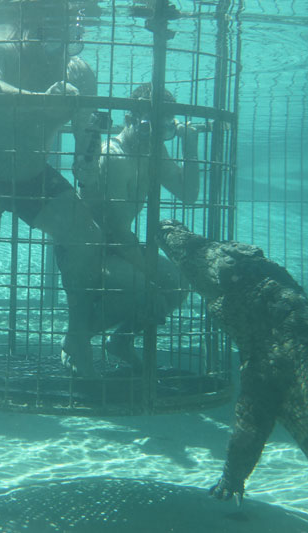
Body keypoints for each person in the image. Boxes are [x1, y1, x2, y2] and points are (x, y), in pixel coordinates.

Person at [0, 0, 104, 377]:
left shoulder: (79, 73)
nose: (61, 48)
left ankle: (77, 336)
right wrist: (47, 103)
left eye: (70, 39)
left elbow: (88, 130)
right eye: (50, 38)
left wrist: (88, 154)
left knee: (88, 235)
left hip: (32, 173)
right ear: (27, 30)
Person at [75, 83, 205, 369]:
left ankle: (121, 340)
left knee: (179, 283)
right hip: (90, 250)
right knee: (144, 290)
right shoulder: (115, 156)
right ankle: (77, 338)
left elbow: (189, 194)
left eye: (163, 130)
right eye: (148, 128)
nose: (154, 137)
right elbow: (116, 228)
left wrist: (190, 146)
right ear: (129, 120)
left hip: (120, 246)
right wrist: (151, 281)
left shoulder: (153, 150)